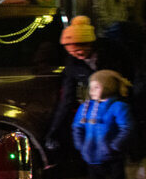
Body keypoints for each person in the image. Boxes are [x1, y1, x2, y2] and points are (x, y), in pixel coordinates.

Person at [45, 15, 135, 155]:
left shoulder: (113, 51)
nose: (76, 54)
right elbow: (67, 100)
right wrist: (53, 131)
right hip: (98, 115)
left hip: (117, 107)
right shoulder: (73, 63)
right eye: (71, 52)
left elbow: (130, 75)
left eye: (79, 50)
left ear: (89, 43)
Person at [73, 69, 135, 179]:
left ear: (108, 88)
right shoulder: (86, 107)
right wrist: (81, 145)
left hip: (112, 156)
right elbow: (77, 127)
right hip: (91, 156)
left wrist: (114, 146)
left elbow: (126, 127)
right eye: (91, 87)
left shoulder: (118, 106)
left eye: (96, 87)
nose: (92, 91)